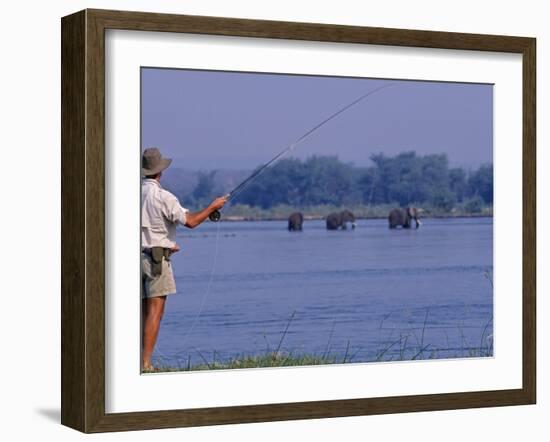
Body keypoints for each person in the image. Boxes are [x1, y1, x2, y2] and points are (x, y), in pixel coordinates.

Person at [141, 147, 227, 372]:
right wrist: (212, 207)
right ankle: (145, 364)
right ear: (160, 172)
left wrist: (168, 244)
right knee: (155, 312)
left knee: (141, 312)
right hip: (156, 263)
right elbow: (190, 221)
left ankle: (137, 362)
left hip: (136, 258)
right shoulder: (163, 197)